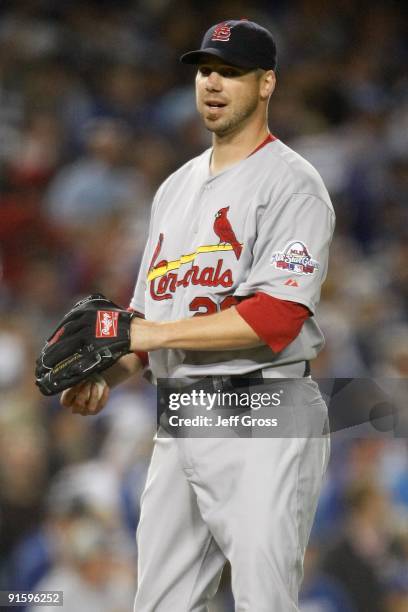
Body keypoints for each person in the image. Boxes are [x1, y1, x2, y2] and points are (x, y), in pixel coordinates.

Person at [62, 19, 335, 611]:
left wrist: (149, 332)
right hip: (181, 410)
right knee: (158, 604)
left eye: (231, 72)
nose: (212, 82)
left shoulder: (293, 184)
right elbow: (148, 316)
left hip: (264, 409)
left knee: (263, 601)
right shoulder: (174, 189)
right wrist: (106, 377)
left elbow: (277, 317)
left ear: (266, 84)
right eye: (205, 69)